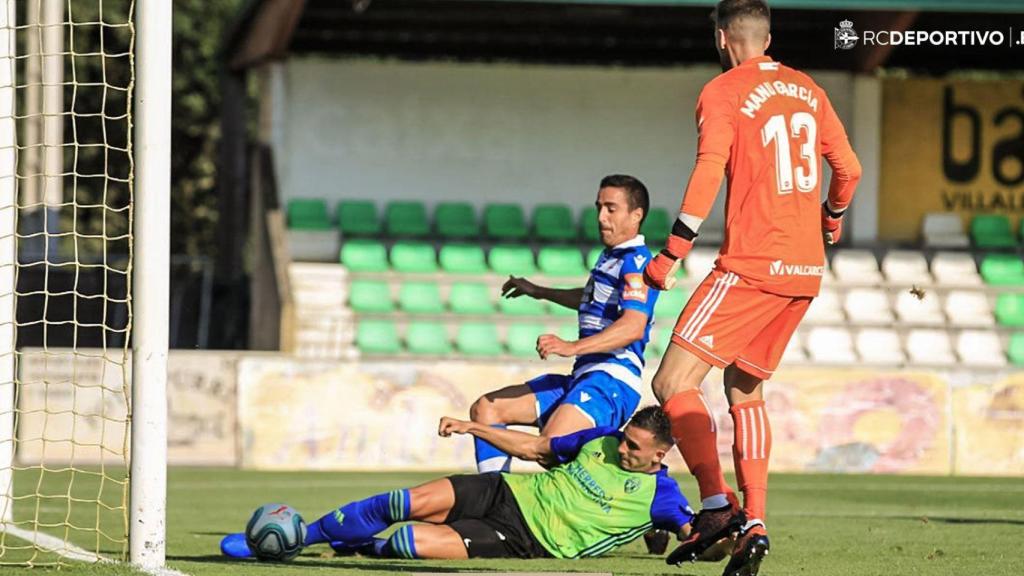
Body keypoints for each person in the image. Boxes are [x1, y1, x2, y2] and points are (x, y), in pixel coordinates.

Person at [641, 1, 862, 575]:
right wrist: (832, 217)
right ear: (768, 37)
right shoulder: (808, 88)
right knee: (744, 390)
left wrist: (673, 251)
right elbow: (850, 169)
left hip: (751, 263)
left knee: (672, 381)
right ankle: (756, 522)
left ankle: (717, 506)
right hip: (805, 270)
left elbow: (709, 168)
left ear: (722, 38)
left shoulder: (723, 92)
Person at [220, 406, 694, 561]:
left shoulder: (664, 498)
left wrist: (726, 539)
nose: (624, 449)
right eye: (626, 439)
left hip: (528, 539)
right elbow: (534, 450)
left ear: (661, 453)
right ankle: (299, 538)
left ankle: (360, 546)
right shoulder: (601, 440)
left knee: (407, 541)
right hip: (506, 492)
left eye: (635, 447)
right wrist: (475, 429)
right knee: (404, 500)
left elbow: (697, 538)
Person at [469, 174, 659, 475]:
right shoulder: (611, 256)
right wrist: (540, 291)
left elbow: (633, 326)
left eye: (611, 208)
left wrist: (572, 346)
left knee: (550, 448)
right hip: (584, 376)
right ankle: (493, 495)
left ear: (636, 215)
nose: (600, 217)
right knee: (487, 408)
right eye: (598, 207)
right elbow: (590, 299)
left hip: (612, 380)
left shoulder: (637, 262)